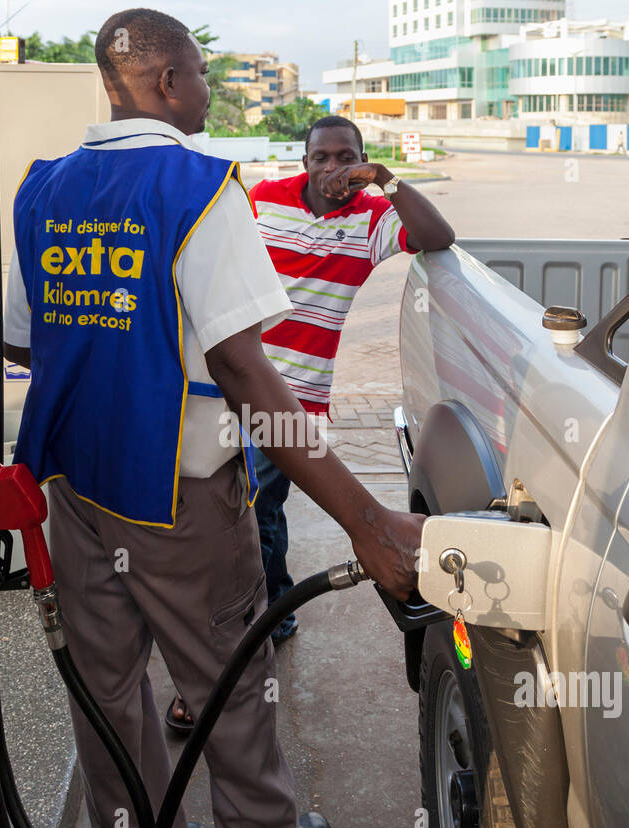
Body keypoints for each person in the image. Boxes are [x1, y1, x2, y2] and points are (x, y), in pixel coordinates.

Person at [2, 7, 423, 828]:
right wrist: (366, 520)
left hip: (75, 497)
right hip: (180, 502)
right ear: (166, 83)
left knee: (108, 695)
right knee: (230, 695)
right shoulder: (200, 187)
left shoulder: (44, 185)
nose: (207, 88)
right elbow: (247, 374)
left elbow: (22, 338)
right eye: (199, 72)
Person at [167, 115, 454, 733]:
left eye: (346, 157)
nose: (334, 170)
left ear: (362, 159)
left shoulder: (373, 220)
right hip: (226, 387)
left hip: (295, 404)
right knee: (232, 509)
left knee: (255, 510)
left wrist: (388, 181)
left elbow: (437, 234)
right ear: (304, 160)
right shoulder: (262, 200)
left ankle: (260, 624)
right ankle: (265, 612)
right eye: (321, 158)